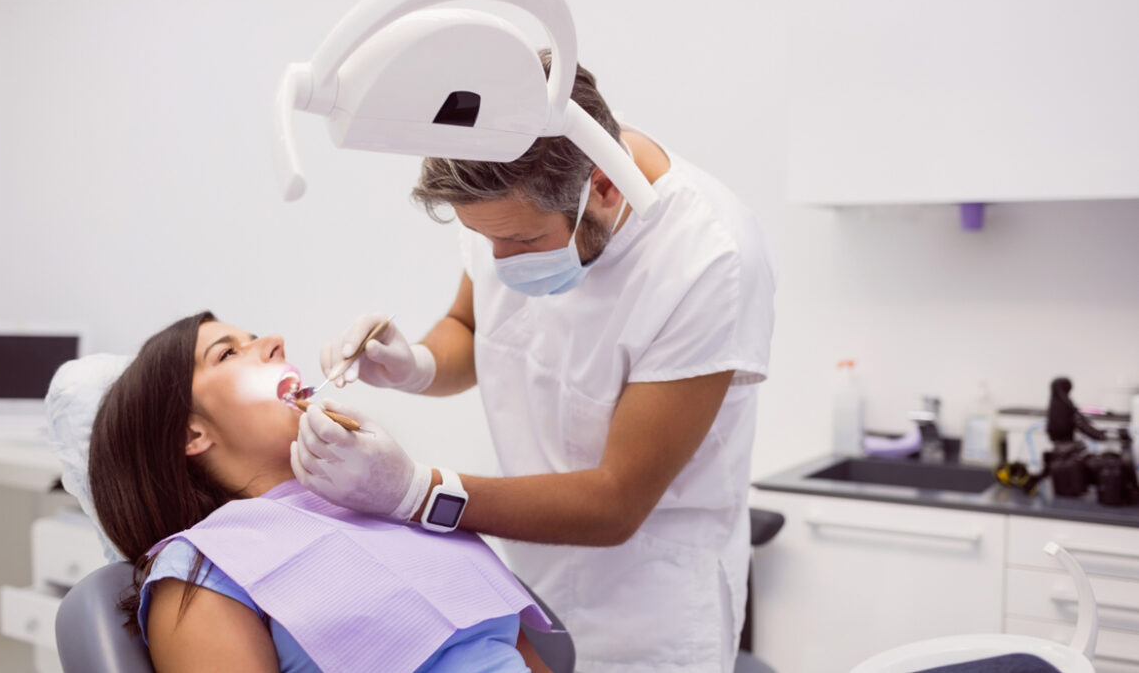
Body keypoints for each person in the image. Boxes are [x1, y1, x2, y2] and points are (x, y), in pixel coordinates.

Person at [295, 50, 776, 671]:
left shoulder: (708, 258)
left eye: (520, 242)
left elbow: (614, 502)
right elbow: (472, 328)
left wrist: (417, 493)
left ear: (602, 185)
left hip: (651, 607)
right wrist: (415, 362)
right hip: (530, 580)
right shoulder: (508, 171)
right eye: (484, 237)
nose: (499, 261)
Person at [87, 311, 553, 673]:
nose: (274, 342)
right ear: (191, 435)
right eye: (227, 354)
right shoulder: (203, 571)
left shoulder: (388, 501)